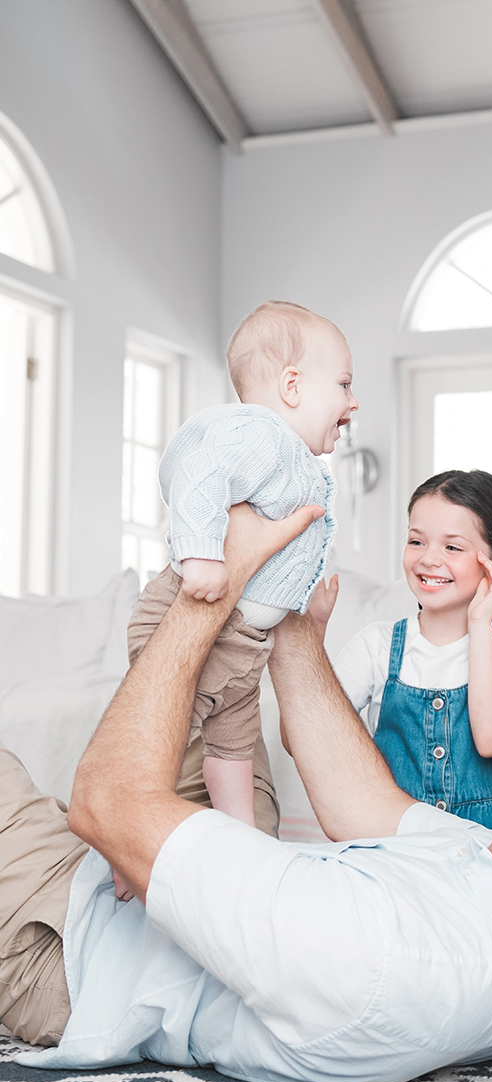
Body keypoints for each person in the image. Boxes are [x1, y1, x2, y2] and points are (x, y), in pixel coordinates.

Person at [1, 502, 492, 1082]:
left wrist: (223, 573)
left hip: (72, 948)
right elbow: (364, 804)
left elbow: (106, 802)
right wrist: (290, 616)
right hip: (164, 899)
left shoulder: (372, 951)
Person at [124, 300, 356, 854]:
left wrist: (304, 608)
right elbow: (200, 470)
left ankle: (241, 842)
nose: (353, 403)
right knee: (166, 736)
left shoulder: (293, 459)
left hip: (241, 642)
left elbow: (275, 563)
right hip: (194, 622)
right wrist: (201, 553)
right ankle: (125, 839)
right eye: (344, 384)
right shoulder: (261, 434)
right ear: (293, 385)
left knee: (232, 746)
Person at [329, 470, 492, 828]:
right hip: (392, 842)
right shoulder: (376, 646)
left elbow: (491, 740)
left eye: (452, 547)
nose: (428, 559)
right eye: (417, 541)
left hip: (482, 851)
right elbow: (308, 736)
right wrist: (311, 632)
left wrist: (481, 623)